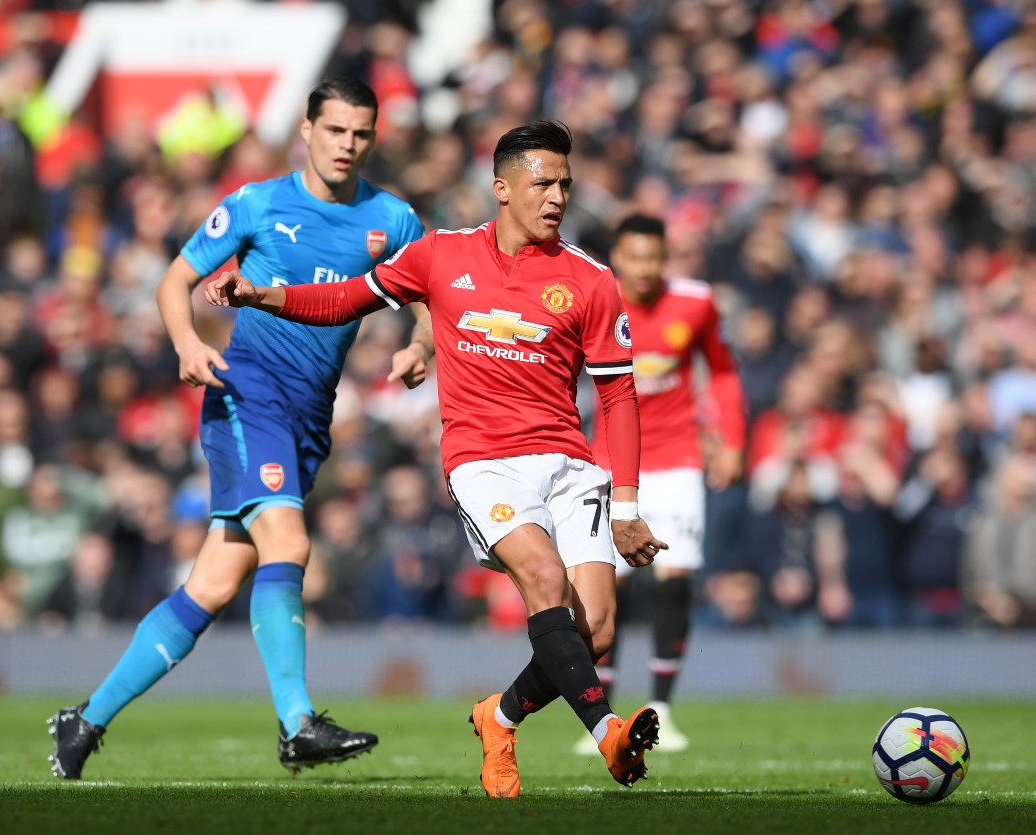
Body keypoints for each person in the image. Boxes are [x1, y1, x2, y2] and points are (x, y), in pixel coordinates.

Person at [208, 120, 669, 797]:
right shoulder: (440, 255)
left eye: (566, 183)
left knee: (593, 630)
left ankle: (499, 715)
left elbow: (620, 394)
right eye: (544, 182)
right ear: (502, 188)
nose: (558, 196)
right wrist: (260, 293)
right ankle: (607, 732)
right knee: (543, 576)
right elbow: (346, 298)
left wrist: (626, 506)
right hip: (485, 461)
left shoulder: (591, 280)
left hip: (569, 463)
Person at [46, 77, 425, 779]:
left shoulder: (393, 219)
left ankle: (85, 718)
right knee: (289, 540)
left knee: (215, 585)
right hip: (247, 394)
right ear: (306, 130)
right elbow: (172, 283)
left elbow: (433, 288)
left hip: (309, 415)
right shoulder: (257, 202)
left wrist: (420, 344)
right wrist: (189, 345)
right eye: (335, 130)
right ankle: (297, 723)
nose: (347, 145)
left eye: (361, 134)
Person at [578, 214, 747, 754]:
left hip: (676, 458)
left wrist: (733, 438)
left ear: (665, 257)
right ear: (618, 258)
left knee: (674, 578)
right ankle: (603, 720)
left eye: (656, 257)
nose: (646, 268)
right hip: (609, 459)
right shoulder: (593, 296)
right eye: (635, 257)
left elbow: (720, 370)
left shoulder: (696, 302)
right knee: (611, 585)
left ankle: (663, 710)